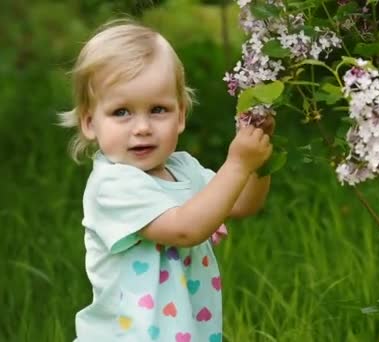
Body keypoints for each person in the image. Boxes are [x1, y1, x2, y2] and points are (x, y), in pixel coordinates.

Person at [59, 19, 273, 342]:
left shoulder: (184, 168)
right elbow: (185, 228)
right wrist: (238, 163)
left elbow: (243, 202)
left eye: (158, 109)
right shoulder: (112, 186)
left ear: (181, 115)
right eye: (121, 112)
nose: (142, 127)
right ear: (89, 122)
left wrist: (260, 158)